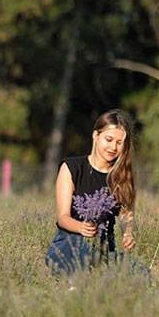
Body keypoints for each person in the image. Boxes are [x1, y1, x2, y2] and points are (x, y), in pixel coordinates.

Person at [45, 109, 138, 274]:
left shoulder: (122, 176)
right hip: (69, 244)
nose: (113, 147)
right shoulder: (72, 168)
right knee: (85, 264)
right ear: (96, 135)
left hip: (103, 249)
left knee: (139, 273)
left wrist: (128, 234)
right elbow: (62, 218)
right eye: (108, 139)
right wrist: (81, 227)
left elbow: (126, 215)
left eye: (119, 143)